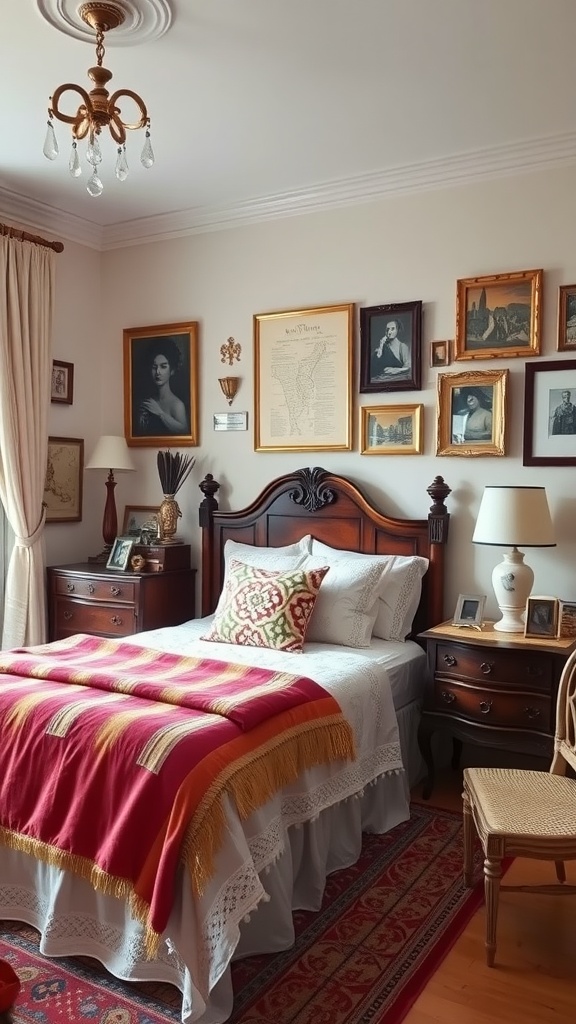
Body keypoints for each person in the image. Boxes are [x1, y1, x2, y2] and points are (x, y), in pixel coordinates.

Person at [136, 338, 190, 436]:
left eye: (163, 366)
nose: (158, 372)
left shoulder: (177, 405)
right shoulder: (148, 402)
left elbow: (184, 430)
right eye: (154, 367)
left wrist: (160, 413)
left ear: (172, 370)